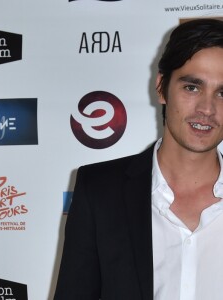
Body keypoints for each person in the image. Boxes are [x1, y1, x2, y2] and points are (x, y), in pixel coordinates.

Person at [53, 18, 223, 300]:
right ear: (161, 87)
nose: (207, 108)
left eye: (222, 93)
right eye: (192, 87)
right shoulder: (99, 191)